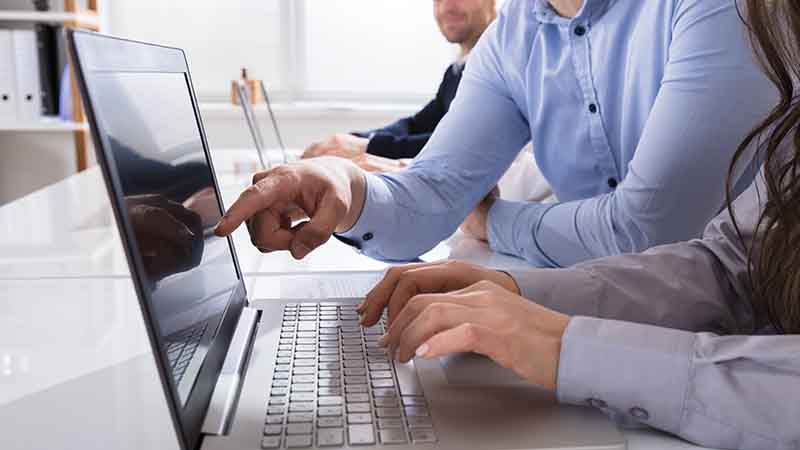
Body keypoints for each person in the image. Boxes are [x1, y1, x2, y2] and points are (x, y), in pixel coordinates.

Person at [342, 1, 800, 448]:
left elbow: (647, 229)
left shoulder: (731, 11)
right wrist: (514, 294)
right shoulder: (514, 34)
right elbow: (733, 267)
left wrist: (571, 350)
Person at [216, 0, 776, 269]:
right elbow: (431, 196)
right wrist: (343, 186)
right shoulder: (512, 39)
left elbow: (651, 233)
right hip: (624, 310)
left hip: (754, 337)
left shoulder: (717, 7)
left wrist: (492, 221)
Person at [301, 0, 497, 165]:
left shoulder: (498, 66)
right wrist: (351, 141)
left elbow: (461, 144)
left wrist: (368, 147)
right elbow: (417, 125)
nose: (446, 7)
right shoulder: (457, 70)